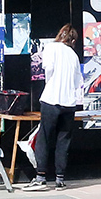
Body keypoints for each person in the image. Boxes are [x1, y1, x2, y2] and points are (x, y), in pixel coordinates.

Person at [27, 25, 82, 191]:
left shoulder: (51, 47)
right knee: (63, 140)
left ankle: (40, 177)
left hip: (51, 99)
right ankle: (60, 178)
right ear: (73, 40)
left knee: (44, 137)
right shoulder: (73, 55)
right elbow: (76, 81)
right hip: (69, 103)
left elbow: (48, 69)